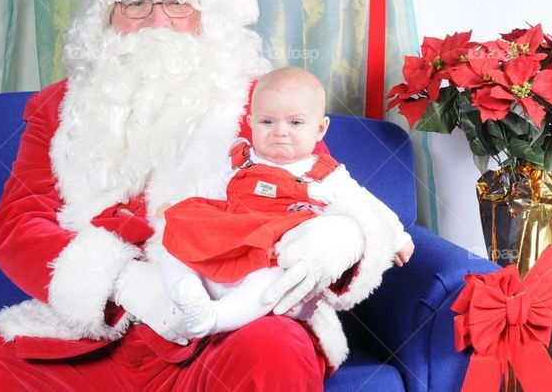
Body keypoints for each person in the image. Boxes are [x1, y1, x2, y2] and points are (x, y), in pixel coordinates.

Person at [0, 0, 407, 390]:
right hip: (98, 334)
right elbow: (18, 223)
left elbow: (323, 185)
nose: (156, 21)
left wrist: (340, 238)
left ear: (209, 14)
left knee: (273, 349)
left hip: (224, 326)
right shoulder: (58, 106)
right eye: (135, 2)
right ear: (107, 16)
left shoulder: (257, 103)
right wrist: (124, 283)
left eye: (176, 2)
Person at [160, 67, 414, 339]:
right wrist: (177, 206)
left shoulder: (324, 175)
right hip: (231, 240)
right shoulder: (240, 160)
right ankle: (187, 292)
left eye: (295, 123)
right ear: (251, 122)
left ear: (320, 129)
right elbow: (206, 190)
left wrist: (397, 236)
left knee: (275, 278)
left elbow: (364, 204)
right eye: (267, 121)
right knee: (176, 233)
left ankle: (215, 318)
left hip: (271, 255)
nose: (280, 132)